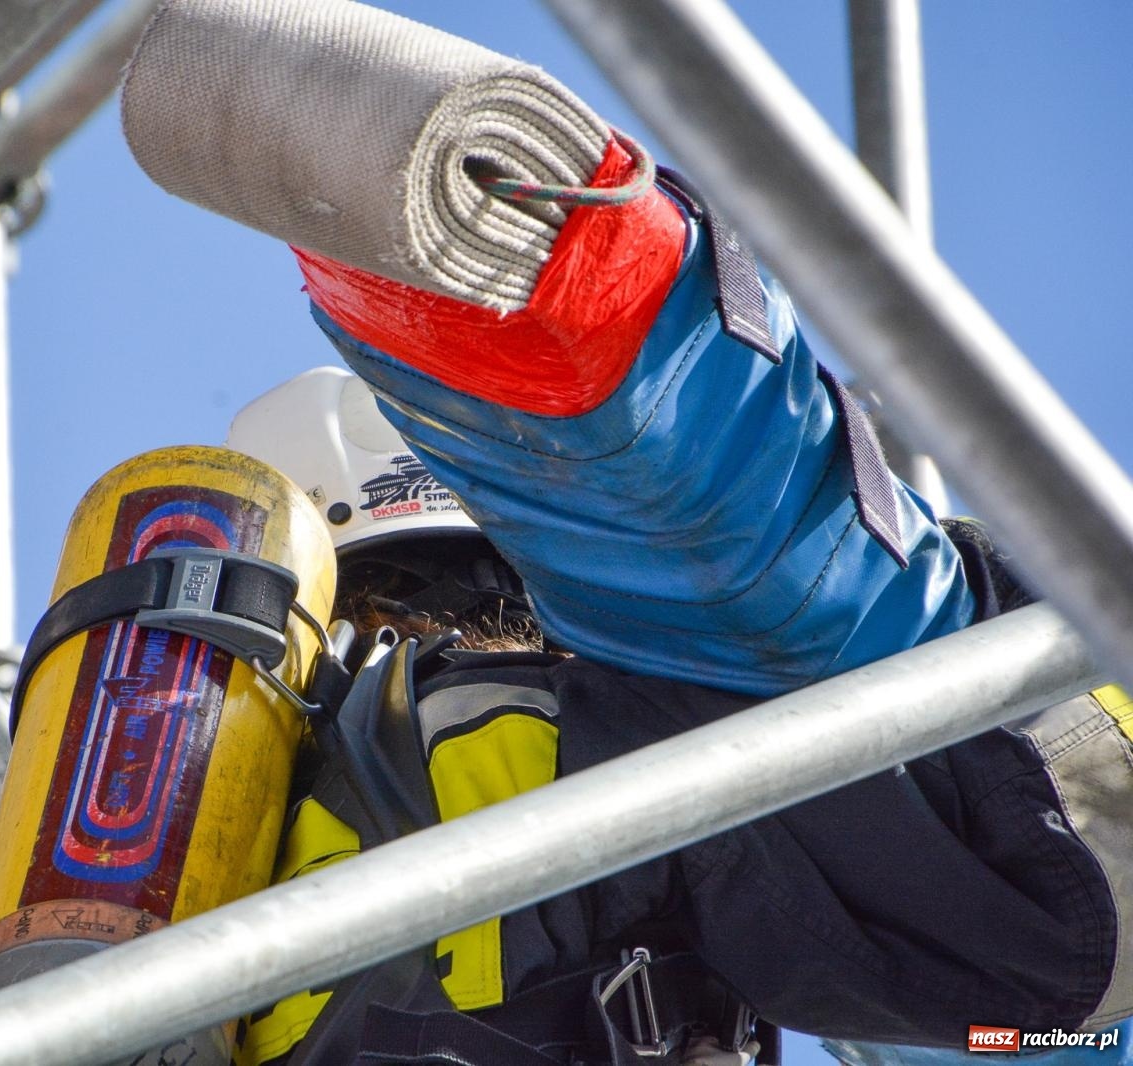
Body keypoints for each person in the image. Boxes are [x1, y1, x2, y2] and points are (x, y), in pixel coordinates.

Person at [213, 149, 1133, 1066]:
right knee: (1044, 945)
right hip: (1027, 882)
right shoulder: (555, 733)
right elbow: (1025, 955)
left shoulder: (191, 810)